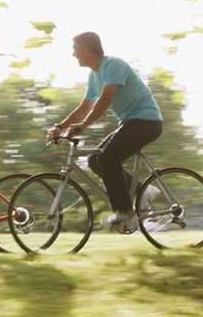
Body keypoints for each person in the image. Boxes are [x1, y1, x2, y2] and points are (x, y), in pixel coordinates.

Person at [46, 32, 163, 231]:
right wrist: (60, 126)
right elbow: (85, 106)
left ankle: (125, 211)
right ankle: (145, 191)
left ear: (85, 49)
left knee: (108, 159)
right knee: (94, 159)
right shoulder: (94, 75)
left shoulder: (113, 65)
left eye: (75, 50)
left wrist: (82, 125)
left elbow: (105, 100)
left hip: (146, 121)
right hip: (130, 122)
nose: (74, 55)